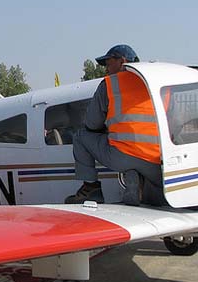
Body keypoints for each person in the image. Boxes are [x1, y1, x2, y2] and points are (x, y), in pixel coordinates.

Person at [65, 44, 163, 206]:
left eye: (109, 64)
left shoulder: (110, 84)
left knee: (81, 136)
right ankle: (147, 189)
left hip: (121, 156)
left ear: (122, 61)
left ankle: (91, 188)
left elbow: (92, 123)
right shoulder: (154, 83)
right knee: (157, 201)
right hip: (155, 159)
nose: (106, 69)